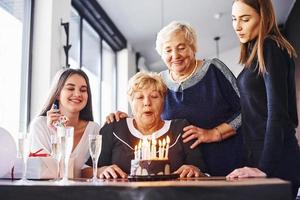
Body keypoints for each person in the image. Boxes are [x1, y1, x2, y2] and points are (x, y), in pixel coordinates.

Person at [107, 21, 243, 176]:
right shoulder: (160, 81)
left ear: (193, 48)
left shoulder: (214, 69)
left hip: (225, 161)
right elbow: (151, 116)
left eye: (181, 47)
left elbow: (246, 109)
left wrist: (214, 133)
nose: (175, 56)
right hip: (184, 172)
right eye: (168, 50)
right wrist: (127, 119)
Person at [228, 0, 300, 197]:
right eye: (234, 19)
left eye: (245, 19)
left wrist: (265, 167)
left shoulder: (270, 47)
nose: (237, 26)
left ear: (264, 17)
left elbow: (277, 113)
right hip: (261, 157)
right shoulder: (254, 52)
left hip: (276, 161)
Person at [82, 72, 206, 179]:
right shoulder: (113, 128)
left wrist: (194, 170)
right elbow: (85, 171)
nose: (147, 103)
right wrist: (99, 171)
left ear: (163, 101)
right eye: (140, 97)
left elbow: (202, 172)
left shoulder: (181, 129)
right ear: (131, 102)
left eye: (154, 96)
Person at [30, 68, 101, 178]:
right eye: (70, 88)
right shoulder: (40, 125)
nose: (77, 94)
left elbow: (94, 169)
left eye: (83, 90)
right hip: (47, 192)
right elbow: (48, 171)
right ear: (58, 94)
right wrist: (57, 132)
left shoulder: (94, 129)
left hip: (85, 193)